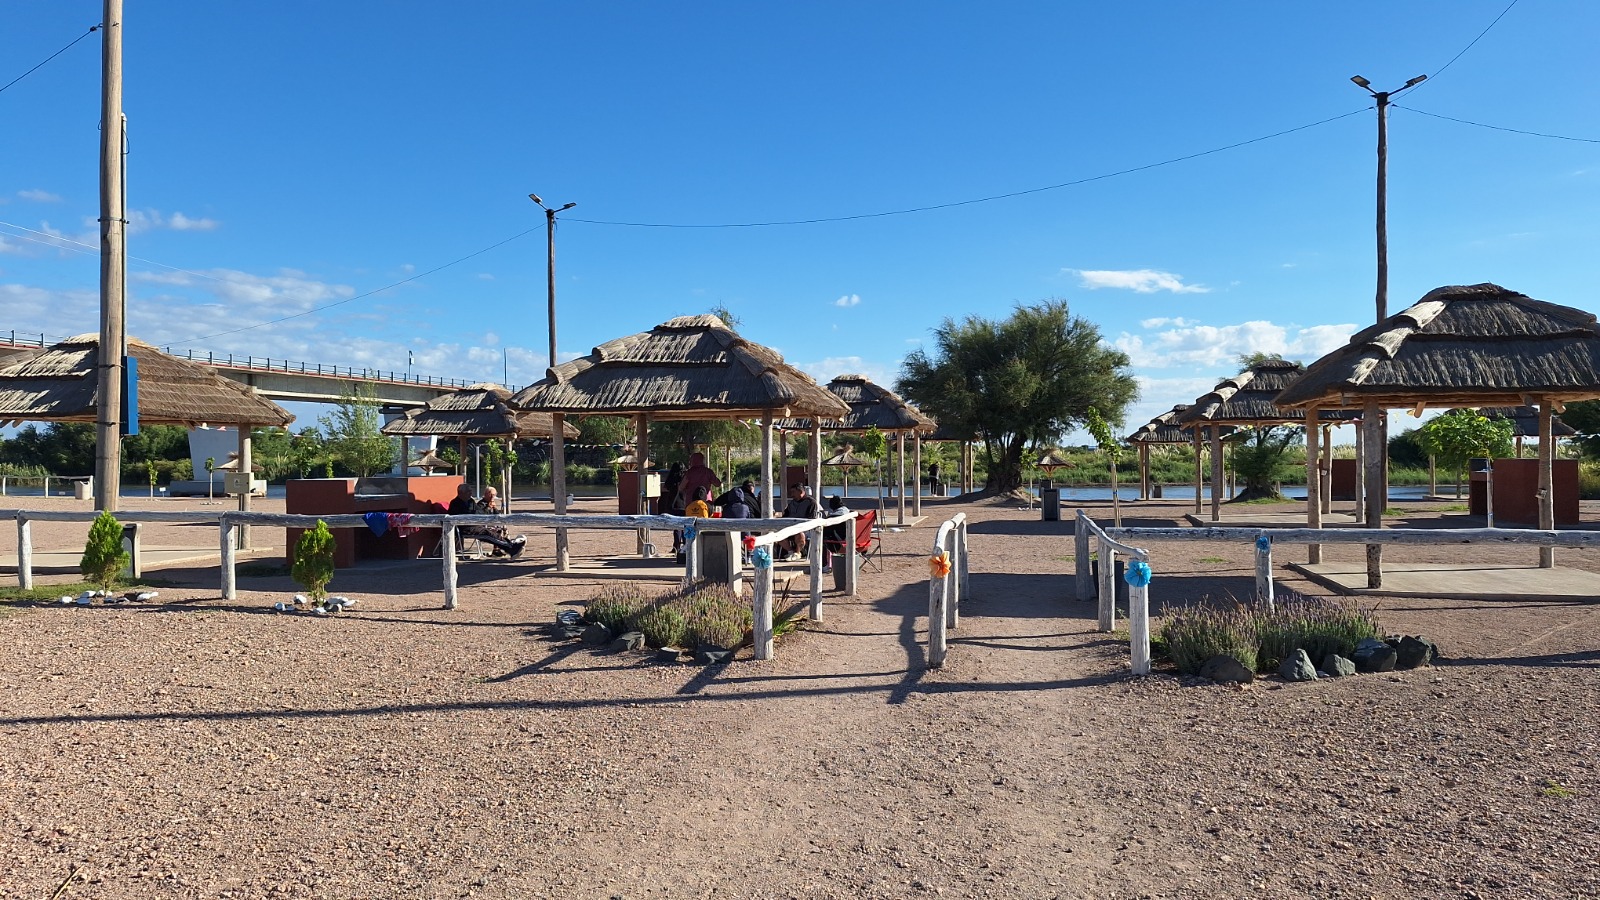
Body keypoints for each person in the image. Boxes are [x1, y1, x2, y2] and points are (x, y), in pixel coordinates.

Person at [448, 483, 524, 559]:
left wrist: (490, 509)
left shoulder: (471, 501)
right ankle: (511, 548)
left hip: (475, 525)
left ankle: (511, 546)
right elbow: (467, 515)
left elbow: (479, 512)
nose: (471, 493)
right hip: (465, 528)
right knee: (487, 534)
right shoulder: (455, 503)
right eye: (468, 491)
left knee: (491, 533)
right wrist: (482, 511)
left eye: (471, 491)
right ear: (461, 493)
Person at [775, 482, 819, 560]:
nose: (792, 495)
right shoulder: (792, 503)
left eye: (793, 492)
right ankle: (790, 552)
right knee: (778, 534)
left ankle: (798, 552)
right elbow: (785, 516)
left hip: (805, 529)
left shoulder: (811, 502)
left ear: (801, 492)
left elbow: (811, 518)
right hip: (790, 527)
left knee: (799, 534)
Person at [821, 495, 848, 573]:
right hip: (855, 540)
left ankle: (824, 565)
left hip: (839, 543)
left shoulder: (834, 517)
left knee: (821, 540)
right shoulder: (848, 512)